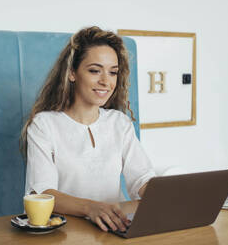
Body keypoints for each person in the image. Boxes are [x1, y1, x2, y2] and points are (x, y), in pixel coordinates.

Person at [19, 26, 156, 232]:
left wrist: (166, 198)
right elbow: (41, 194)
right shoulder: (44, 124)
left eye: (113, 72)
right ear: (72, 73)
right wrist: (90, 207)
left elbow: (142, 179)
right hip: (66, 233)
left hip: (114, 228)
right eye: (94, 70)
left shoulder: (119, 122)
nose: (105, 81)